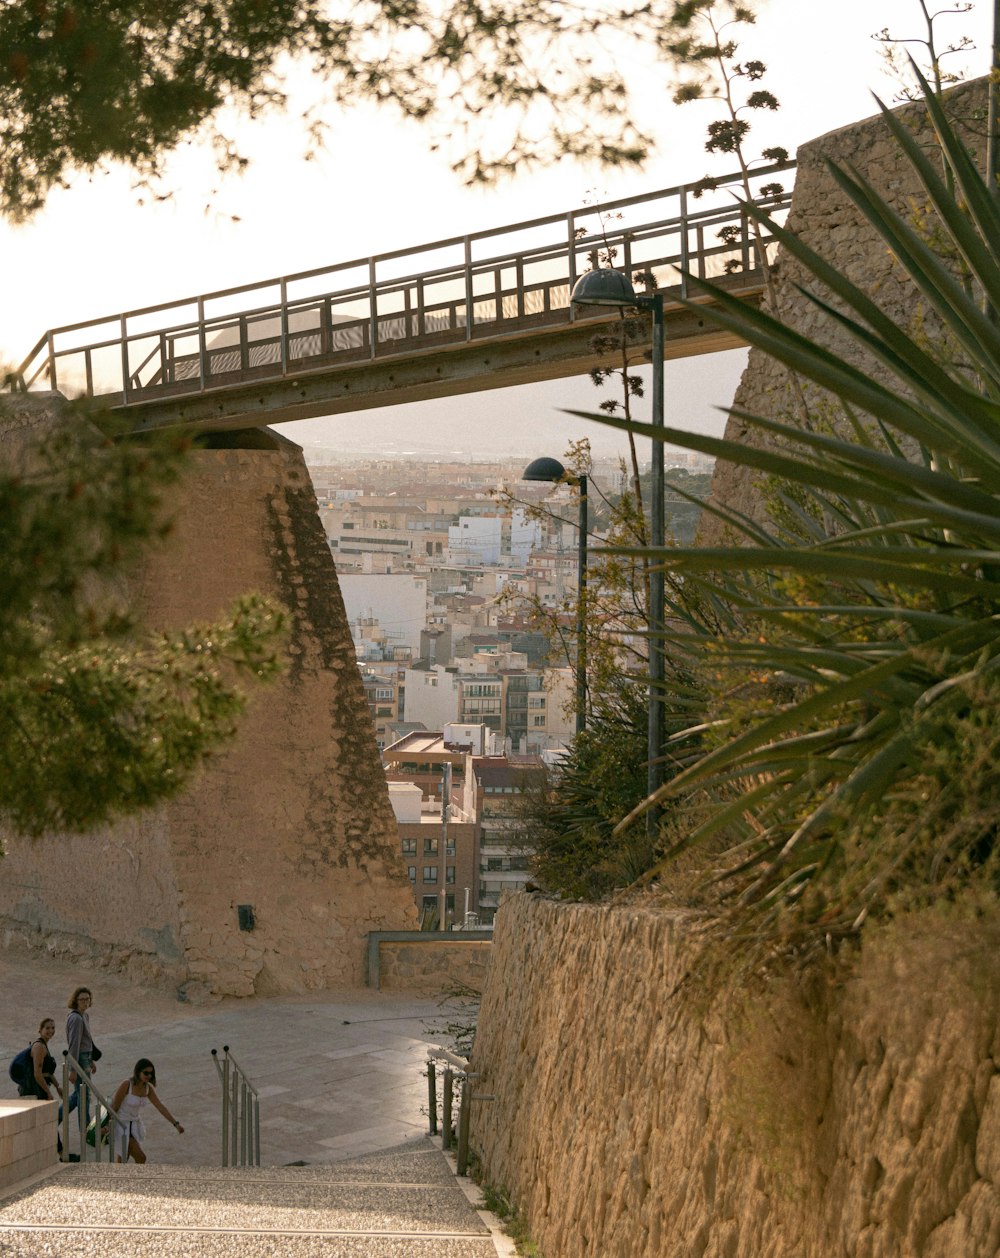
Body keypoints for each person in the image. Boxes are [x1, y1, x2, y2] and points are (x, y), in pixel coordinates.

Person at [109, 1059, 184, 1164]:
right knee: (141, 1158)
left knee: (123, 1158)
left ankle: (117, 1179)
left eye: (151, 1073)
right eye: (146, 1073)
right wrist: (107, 1126)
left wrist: (175, 1124)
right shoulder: (127, 1084)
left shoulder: (148, 1089)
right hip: (121, 1124)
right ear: (138, 1072)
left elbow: (160, 1107)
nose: (149, 1076)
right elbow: (114, 1106)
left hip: (134, 1125)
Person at [62, 986, 100, 1130]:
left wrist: (91, 1060)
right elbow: (74, 1044)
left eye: (87, 999)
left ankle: (58, 1116)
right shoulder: (76, 1018)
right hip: (79, 1059)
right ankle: (86, 1128)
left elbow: (86, 1041)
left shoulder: (85, 1016)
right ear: (76, 1001)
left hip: (85, 1058)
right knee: (84, 1095)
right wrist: (73, 1069)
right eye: (82, 999)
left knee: (79, 1093)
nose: (85, 1002)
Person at [21, 1019, 62, 1102]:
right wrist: (48, 1092)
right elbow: (37, 1074)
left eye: (53, 1028)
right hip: (33, 1090)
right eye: (47, 1028)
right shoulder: (39, 1047)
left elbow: (48, 1072)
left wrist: (57, 1087)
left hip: (38, 1088)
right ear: (40, 1030)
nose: (51, 1030)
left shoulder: (43, 1045)